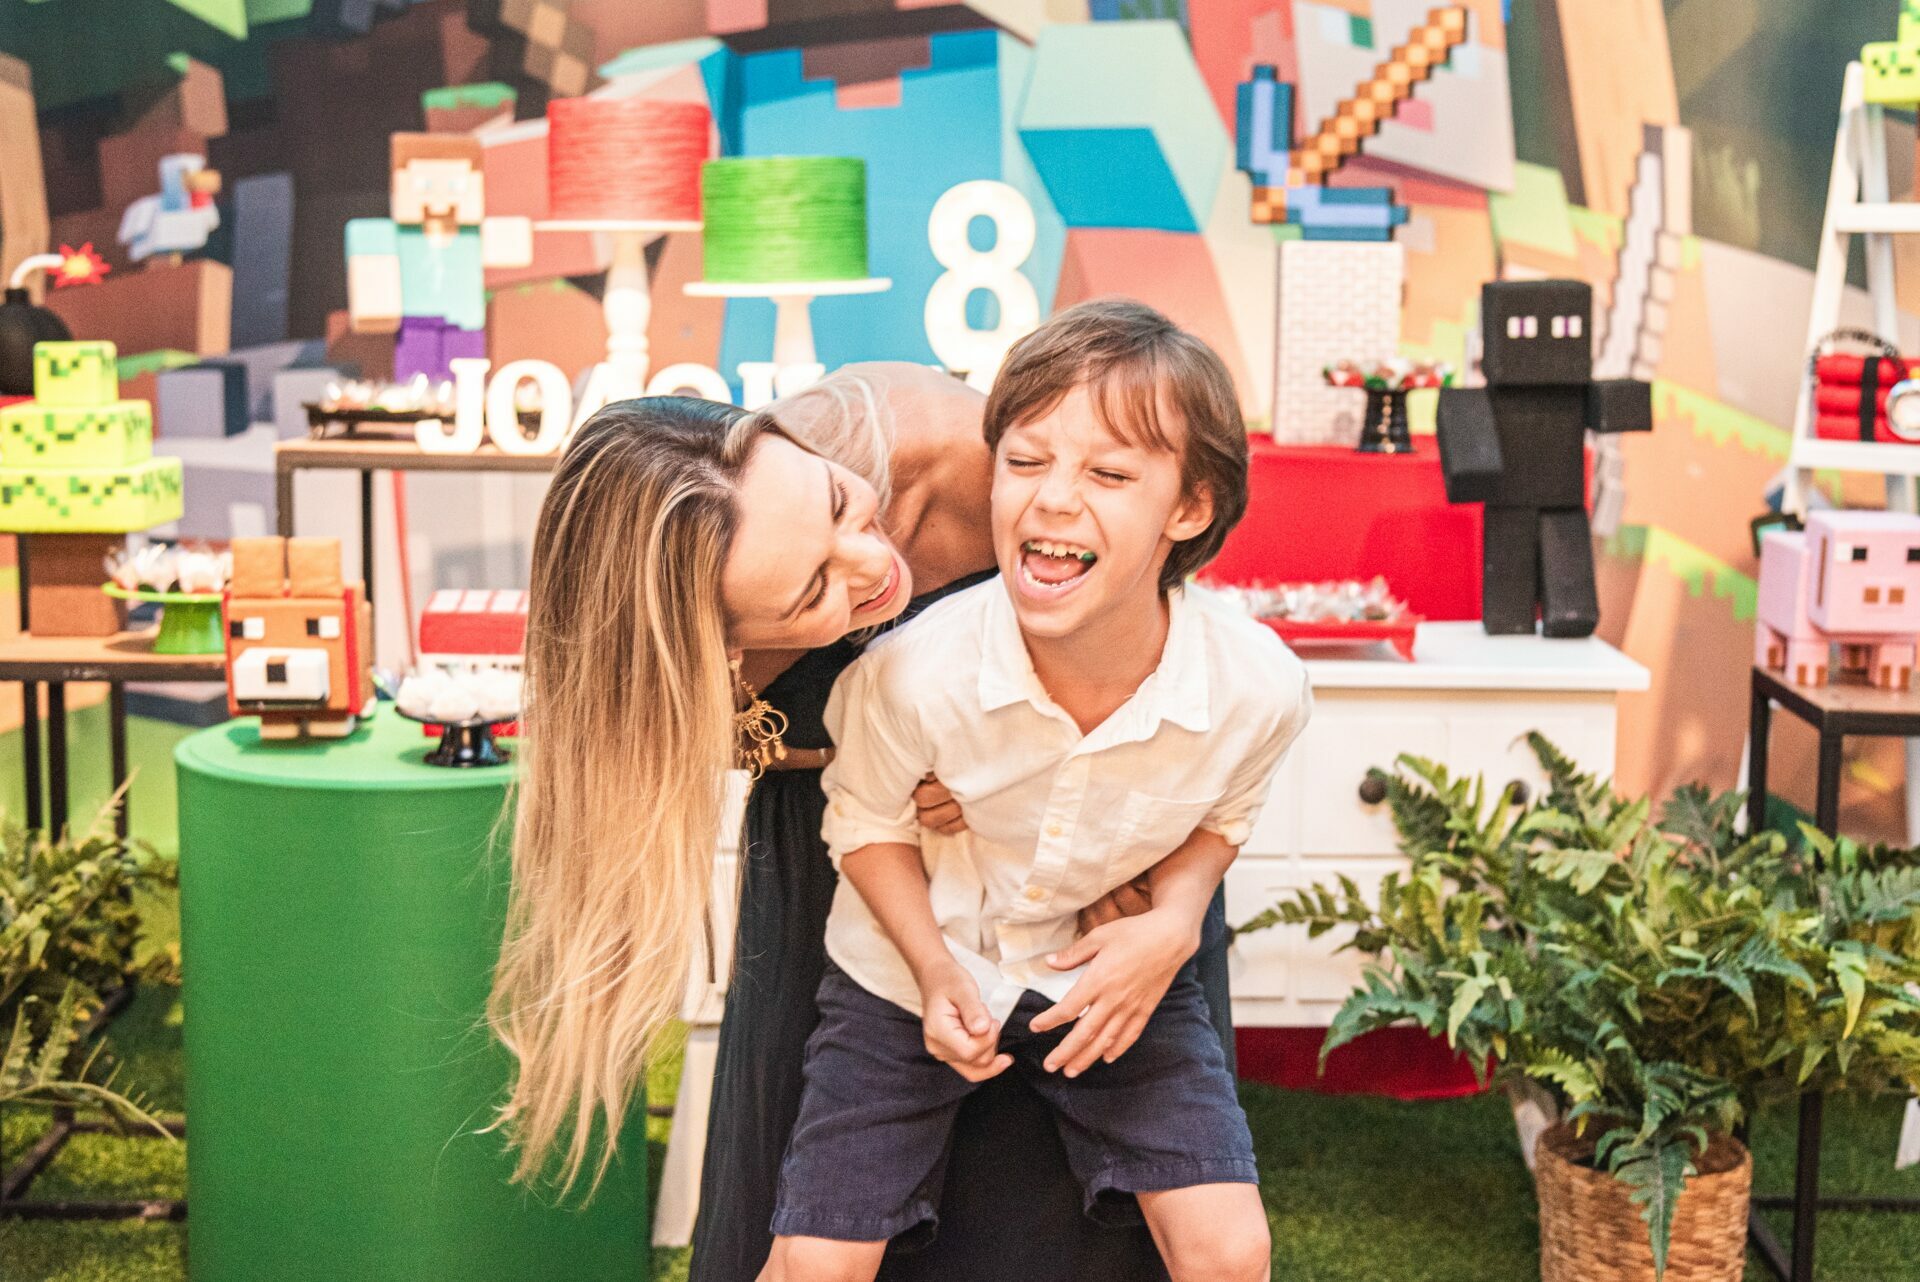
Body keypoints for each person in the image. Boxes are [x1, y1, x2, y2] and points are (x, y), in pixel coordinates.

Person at [489, 360, 1238, 1282]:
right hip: (844, 880)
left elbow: (1182, 669)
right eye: (814, 595)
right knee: (826, 1210)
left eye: (843, 505)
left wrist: (1130, 873)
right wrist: (861, 762)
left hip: (1096, 870)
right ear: (719, 641)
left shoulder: (984, 462)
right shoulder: (700, 608)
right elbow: (708, 737)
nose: (873, 566)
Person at [760, 301, 1310, 1282]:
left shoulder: (1256, 685)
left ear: (1189, 508)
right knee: (816, 1260)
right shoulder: (909, 674)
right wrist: (934, 971)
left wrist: (1172, 920)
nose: (1054, 499)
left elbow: (1227, 813)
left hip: (1106, 977)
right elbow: (867, 823)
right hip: (903, 974)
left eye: (1109, 474)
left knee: (1232, 1250)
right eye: (1025, 461)